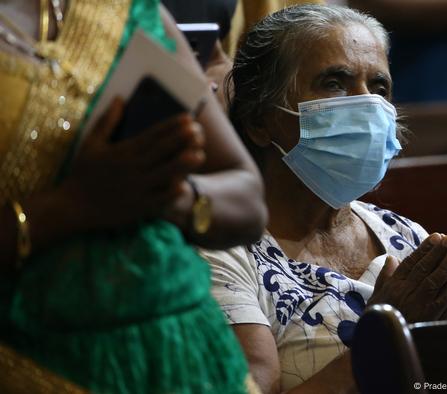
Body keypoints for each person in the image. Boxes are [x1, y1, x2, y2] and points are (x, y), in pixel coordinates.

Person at [202, 4, 447, 393]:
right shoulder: (221, 251)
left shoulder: (404, 236)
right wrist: (380, 339)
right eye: (334, 82)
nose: (366, 105)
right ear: (260, 120)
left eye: (379, 88)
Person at [0, 0, 266, 392]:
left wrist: (164, 192)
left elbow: (248, 199)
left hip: (196, 357)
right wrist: (73, 205)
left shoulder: (130, 11)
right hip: (40, 361)